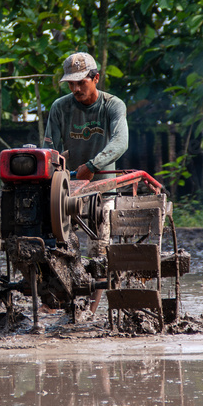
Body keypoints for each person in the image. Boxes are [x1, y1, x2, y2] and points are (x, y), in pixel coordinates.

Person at [43, 51, 129, 316]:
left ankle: (90, 309)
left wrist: (92, 166)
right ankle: (53, 300)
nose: (76, 88)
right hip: (67, 191)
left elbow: (120, 142)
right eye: (71, 83)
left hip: (102, 189)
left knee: (99, 248)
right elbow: (50, 148)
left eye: (81, 82)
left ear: (96, 78)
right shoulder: (60, 107)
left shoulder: (112, 106)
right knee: (55, 243)